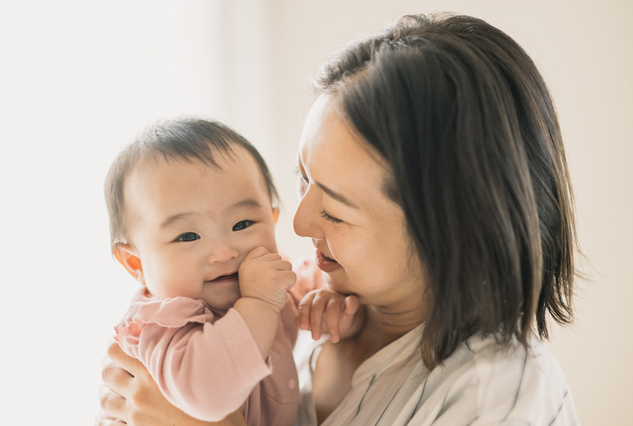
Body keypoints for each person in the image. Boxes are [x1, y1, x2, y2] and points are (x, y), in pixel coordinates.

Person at [98, 13, 580, 425]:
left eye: (334, 209)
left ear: (448, 232)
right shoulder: (304, 313)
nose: (299, 223)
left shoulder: (496, 393)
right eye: (302, 179)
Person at [101, 118, 358, 426]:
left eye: (242, 225)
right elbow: (207, 396)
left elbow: (327, 285)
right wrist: (259, 304)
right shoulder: (162, 325)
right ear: (136, 264)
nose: (224, 252)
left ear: (272, 219)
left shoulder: (269, 281)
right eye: (187, 236)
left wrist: (330, 303)